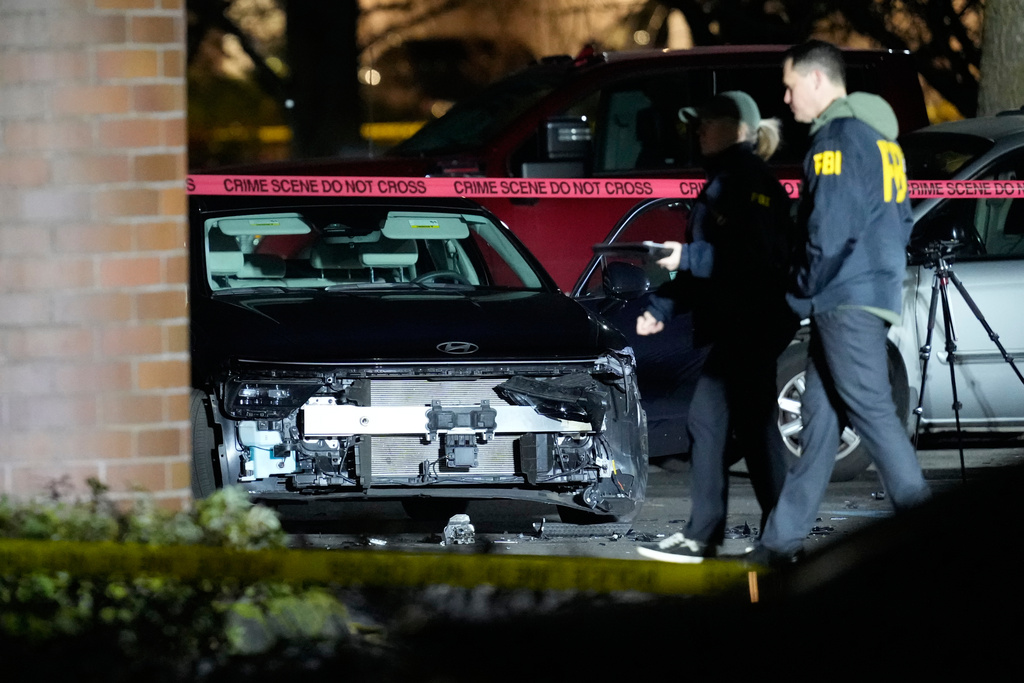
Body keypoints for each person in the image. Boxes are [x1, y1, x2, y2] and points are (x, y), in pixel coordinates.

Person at [747, 40, 931, 567]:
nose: (785, 99)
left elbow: (829, 230)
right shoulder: (881, 142)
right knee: (819, 421)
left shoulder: (837, 140)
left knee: (873, 413)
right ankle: (778, 544)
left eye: (790, 85)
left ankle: (933, 537)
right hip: (864, 291)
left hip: (842, 296)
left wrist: (797, 289)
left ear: (818, 81)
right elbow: (898, 220)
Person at [636, 90, 798, 563]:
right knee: (752, 429)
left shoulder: (747, 183)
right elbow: (709, 270)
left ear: (741, 129)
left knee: (712, 421)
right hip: (741, 324)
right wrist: (663, 306)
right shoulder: (726, 181)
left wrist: (686, 256)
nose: (700, 129)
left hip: (752, 322)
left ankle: (706, 535)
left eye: (710, 121)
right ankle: (774, 538)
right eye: (699, 121)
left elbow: (746, 261)